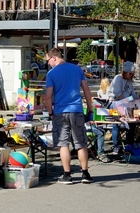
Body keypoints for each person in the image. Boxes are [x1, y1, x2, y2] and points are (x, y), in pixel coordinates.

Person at [45, 48, 93, 184]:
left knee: (63, 143)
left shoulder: (52, 73)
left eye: (48, 60)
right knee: (81, 142)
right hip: (77, 109)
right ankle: (85, 173)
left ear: (54, 58)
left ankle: (67, 175)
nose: (48, 63)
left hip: (60, 111)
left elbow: (48, 97)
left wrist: (50, 113)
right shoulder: (77, 70)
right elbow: (87, 90)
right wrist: (90, 108)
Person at [108, 61, 138, 154]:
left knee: (132, 122)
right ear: (125, 72)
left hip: (126, 105)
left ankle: (130, 144)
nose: (131, 75)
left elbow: (132, 93)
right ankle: (116, 146)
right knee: (116, 123)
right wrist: (127, 100)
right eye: (130, 73)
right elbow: (117, 93)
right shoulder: (118, 78)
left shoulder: (129, 81)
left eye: (132, 74)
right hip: (114, 103)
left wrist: (136, 98)